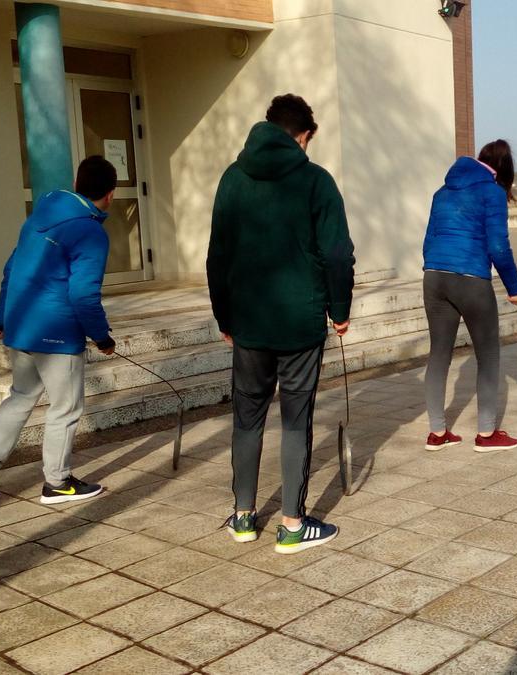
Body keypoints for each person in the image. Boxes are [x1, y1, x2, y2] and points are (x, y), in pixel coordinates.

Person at [207, 94, 355, 551]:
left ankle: (243, 516)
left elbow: (217, 255)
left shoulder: (233, 178)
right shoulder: (315, 181)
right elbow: (336, 253)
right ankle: (292, 524)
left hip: (248, 322)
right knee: (296, 419)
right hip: (299, 321)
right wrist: (340, 309)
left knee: (246, 418)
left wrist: (223, 315)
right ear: (304, 134)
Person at [0, 156, 118, 508]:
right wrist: (102, 337)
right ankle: (57, 484)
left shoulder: (39, 216)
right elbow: (83, 294)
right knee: (65, 408)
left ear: (77, 184)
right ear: (111, 194)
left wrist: (4, 319)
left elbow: (10, 268)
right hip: (57, 335)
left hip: (22, 326)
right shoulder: (90, 231)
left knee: (20, 398)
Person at [422, 139, 517, 453]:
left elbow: (428, 240)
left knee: (438, 354)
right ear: (504, 167)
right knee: (489, 357)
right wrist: (515, 288)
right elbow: (498, 248)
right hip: (471, 279)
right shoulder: (491, 193)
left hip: (434, 277)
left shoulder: (442, 192)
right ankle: (486, 434)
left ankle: (437, 434)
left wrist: (436, 267)